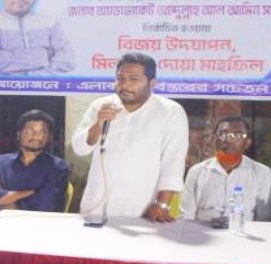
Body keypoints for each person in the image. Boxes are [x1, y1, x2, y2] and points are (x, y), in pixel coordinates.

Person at [72, 53, 189, 221]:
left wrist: (162, 204)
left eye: (134, 79)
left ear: (152, 83)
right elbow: (79, 148)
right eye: (120, 78)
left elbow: (173, 162)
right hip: (95, 206)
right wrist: (98, 124)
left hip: (141, 209)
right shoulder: (101, 105)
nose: (124, 85)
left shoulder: (170, 111)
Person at [182, 116, 271, 222]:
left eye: (237, 135)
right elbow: (186, 216)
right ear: (214, 140)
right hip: (203, 230)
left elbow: (264, 219)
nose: (229, 140)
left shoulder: (262, 173)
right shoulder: (196, 172)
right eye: (223, 134)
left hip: (245, 231)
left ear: (247, 143)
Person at [0, 109, 69, 211]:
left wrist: (1, 197)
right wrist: (24, 193)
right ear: (19, 134)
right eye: (30, 131)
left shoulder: (57, 167)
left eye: (42, 132)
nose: (36, 136)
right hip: (1, 220)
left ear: (49, 136)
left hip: (40, 221)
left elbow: (44, 208)